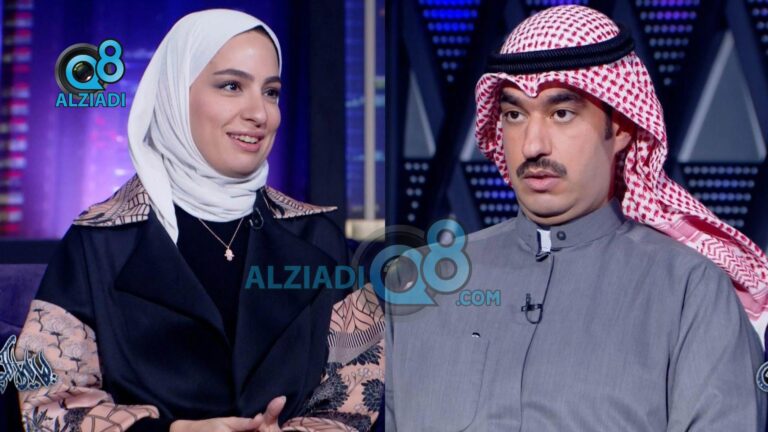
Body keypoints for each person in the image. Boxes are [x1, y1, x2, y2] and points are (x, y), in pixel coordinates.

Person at [386, 5, 768, 431]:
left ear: (620, 127)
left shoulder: (689, 291)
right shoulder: (418, 283)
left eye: (561, 113)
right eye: (514, 115)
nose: (532, 146)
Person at [15, 9, 383, 432]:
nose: (260, 113)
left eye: (271, 92)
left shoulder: (318, 238)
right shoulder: (97, 243)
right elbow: (46, 402)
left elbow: (361, 383)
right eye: (232, 86)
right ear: (175, 94)